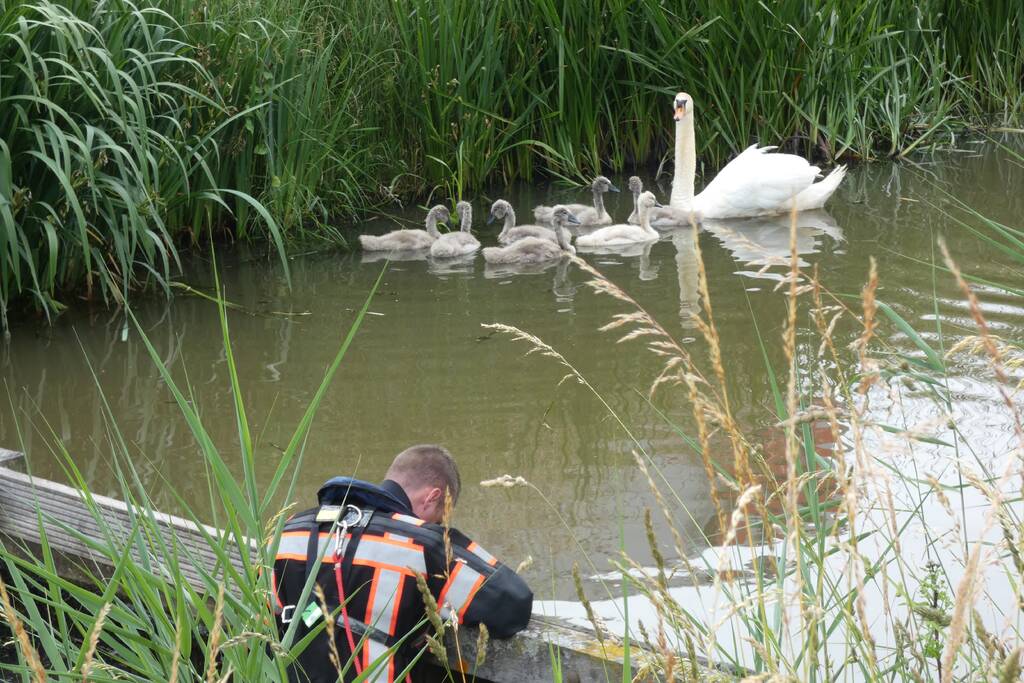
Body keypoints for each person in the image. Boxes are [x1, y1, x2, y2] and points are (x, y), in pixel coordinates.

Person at [271, 444, 533, 682]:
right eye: (440, 518)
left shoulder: (289, 530)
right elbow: (513, 604)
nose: (437, 526)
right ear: (432, 497)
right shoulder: (423, 545)